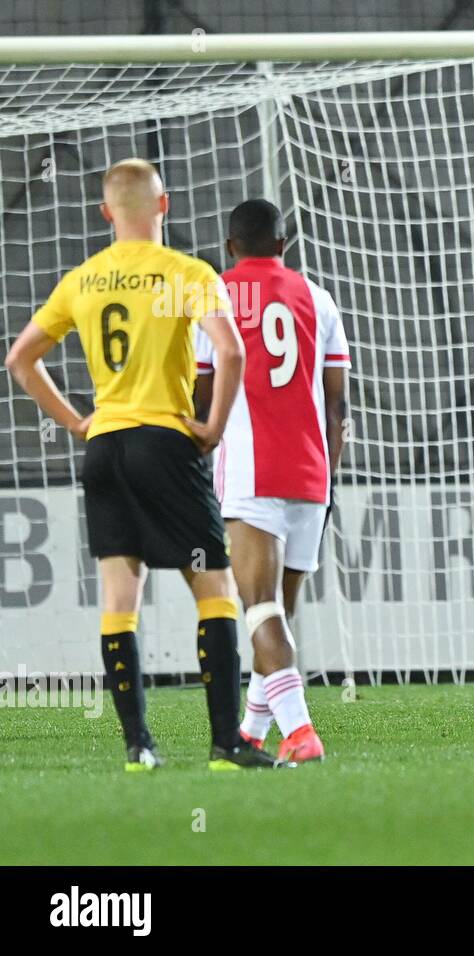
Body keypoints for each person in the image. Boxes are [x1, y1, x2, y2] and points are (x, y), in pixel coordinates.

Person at [4, 158, 280, 769]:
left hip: (105, 448)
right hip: (164, 442)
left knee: (118, 599)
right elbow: (230, 352)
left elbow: (21, 360)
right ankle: (226, 742)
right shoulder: (186, 273)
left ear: (106, 212)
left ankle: (138, 747)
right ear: (165, 205)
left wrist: (78, 421)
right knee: (215, 592)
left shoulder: (83, 278)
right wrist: (211, 428)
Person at [194, 199, 350, 763]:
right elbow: (338, 406)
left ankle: (301, 732)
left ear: (230, 247)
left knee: (257, 608)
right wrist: (330, 481)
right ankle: (252, 734)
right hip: (312, 476)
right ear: (283, 245)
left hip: (250, 474)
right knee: (276, 614)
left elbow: (202, 395)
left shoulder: (212, 296)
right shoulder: (319, 298)